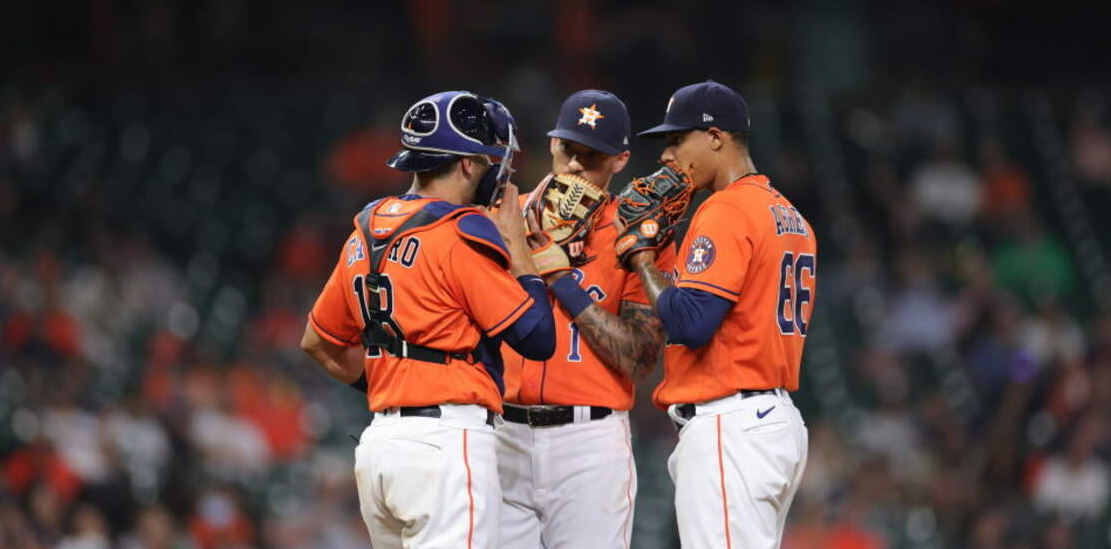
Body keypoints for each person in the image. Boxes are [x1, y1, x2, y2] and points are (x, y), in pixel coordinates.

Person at [300, 91, 557, 548]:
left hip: (380, 447)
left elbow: (317, 342)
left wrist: (401, 383)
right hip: (445, 445)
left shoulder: (364, 229)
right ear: (467, 165)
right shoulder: (459, 232)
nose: (496, 171)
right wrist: (519, 251)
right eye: (489, 160)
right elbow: (538, 339)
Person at [622, 80, 816, 548]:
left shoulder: (726, 209)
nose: (667, 155)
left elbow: (692, 323)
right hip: (770, 421)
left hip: (732, 425)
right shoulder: (788, 214)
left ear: (715, 137)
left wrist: (643, 259)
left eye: (677, 140)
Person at [497, 90, 674, 548]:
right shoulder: (504, 219)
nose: (575, 166)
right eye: (568, 149)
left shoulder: (638, 235)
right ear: (552, 144)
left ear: (620, 161)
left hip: (588, 443)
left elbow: (639, 358)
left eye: (592, 156)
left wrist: (561, 280)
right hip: (501, 435)